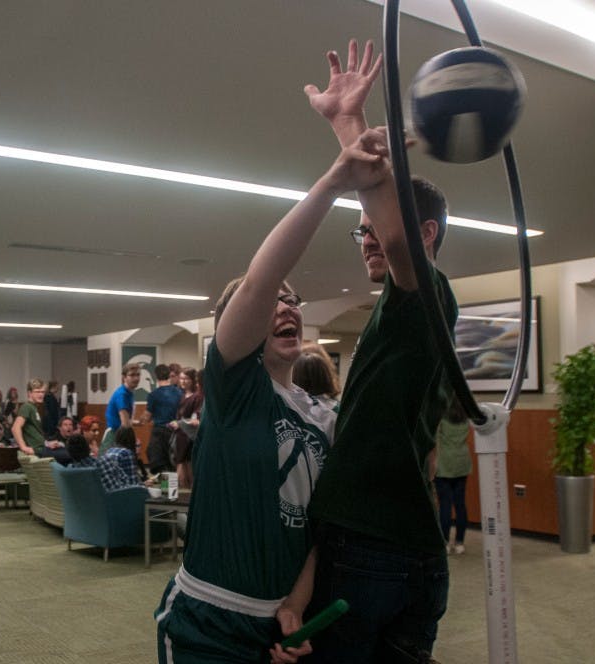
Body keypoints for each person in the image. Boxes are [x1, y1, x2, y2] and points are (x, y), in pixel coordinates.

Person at [156, 110, 381, 660]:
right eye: (272, 300)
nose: (286, 304)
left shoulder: (323, 417)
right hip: (206, 618)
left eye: (294, 299)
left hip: (279, 624)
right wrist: (332, 183)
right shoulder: (236, 390)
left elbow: (314, 527)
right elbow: (259, 280)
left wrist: (294, 608)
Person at [303, 40, 458, 663]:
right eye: (360, 231)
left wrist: (347, 122)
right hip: (398, 543)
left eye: (375, 230)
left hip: (374, 552)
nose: (366, 240)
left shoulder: (424, 294)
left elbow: (395, 236)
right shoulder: (403, 314)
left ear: (427, 236)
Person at [435, 395, 472, 555]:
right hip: (462, 461)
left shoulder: (441, 417)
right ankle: (460, 543)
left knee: (445, 505)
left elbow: (434, 439)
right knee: (460, 504)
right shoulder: (466, 416)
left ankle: (444, 542)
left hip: (444, 462)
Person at [168, 367, 204, 490]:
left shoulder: (197, 397)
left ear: (193, 380)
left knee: (187, 466)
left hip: (189, 437)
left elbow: (195, 419)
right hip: (180, 436)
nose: (183, 381)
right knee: (180, 464)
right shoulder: (183, 395)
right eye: (181, 378)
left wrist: (180, 423)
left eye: (186, 378)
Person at [144, 364, 184, 475]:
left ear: (156, 376)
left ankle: (164, 489)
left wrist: (139, 421)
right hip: (175, 431)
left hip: (159, 432)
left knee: (159, 463)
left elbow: (147, 417)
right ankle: (172, 490)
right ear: (169, 375)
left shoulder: (153, 395)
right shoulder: (179, 393)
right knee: (172, 461)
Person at [102, 363, 141, 452]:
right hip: (115, 436)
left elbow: (126, 420)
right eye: (132, 375)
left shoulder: (129, 393)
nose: (136, 378)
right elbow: (125, 424)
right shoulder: (122, 394)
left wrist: (137, 422)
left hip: (120, 435)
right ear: (124, 377)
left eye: (138, 375)